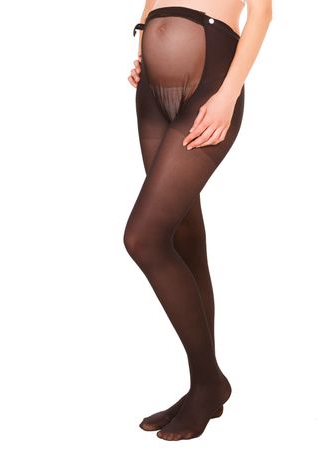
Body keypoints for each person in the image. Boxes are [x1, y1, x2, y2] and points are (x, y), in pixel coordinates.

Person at [124, 0, 272, 441]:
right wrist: (144, 38)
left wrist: (228, 94)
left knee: (144, 238)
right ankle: (201, 387)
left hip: (210, 83)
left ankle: (208, 383)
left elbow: (261, 14)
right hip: (151, 91)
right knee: (183, 238)